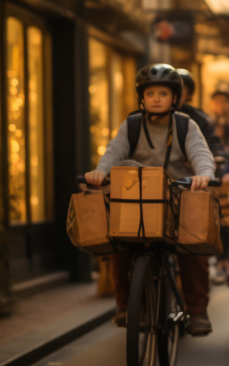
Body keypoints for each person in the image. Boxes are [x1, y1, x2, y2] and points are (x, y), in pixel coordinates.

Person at [84, 63, 217, 335]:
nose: (156, 98)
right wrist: (100, 173)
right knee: (118, 244)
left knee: (194, 246)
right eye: (150, 93)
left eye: (163, 93)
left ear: (175, 98)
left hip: (176, 198)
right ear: (141, 98)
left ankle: (197, 310)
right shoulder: (131, 125)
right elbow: (113, 154)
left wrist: (204, 174)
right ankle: (124, 305)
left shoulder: (185, 124)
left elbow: (200, 153)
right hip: (135, 198)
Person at [175, 68, 227, 166]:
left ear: (188, 93)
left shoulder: (198, 118)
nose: (176, 94)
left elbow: (211, 141)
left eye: (181, 89)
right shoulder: (143, 119)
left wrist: (216, 153)